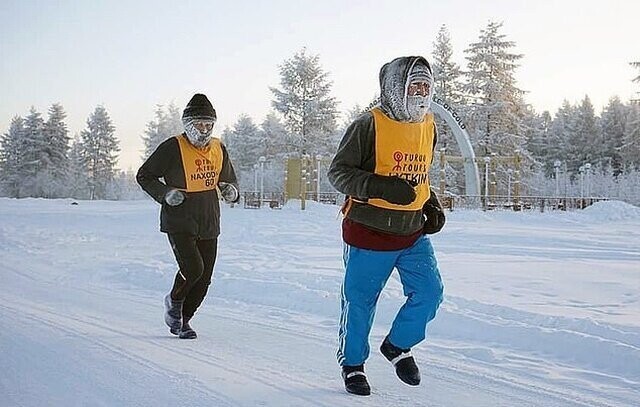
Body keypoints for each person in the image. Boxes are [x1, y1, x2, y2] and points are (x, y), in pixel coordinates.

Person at [328, 56, 446, 396]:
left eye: (426, 86)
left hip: (411, 233)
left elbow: (418, 173)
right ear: (396, 89)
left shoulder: (429, 125)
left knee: (430, 292)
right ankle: (353, 366)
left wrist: (430, 202)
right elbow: (338, 173)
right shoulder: (368, 125)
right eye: (415, 87)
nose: (422, 94)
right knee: (360, 302)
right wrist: (380, 187)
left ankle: (397, 345)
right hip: (369, 233)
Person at [137, 93, 239, 340]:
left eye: (208, 124)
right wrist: (165, 193)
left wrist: (231, 191)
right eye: (198, 124)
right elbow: (144, 175)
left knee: (204, 278)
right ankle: (173, 302)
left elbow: (229, 179)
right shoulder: (172, 147)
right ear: (187, 125)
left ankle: (184, 319)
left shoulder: (218, 148)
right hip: (179, 219)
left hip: (209, 219)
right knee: (193, 269)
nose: (203, 130)